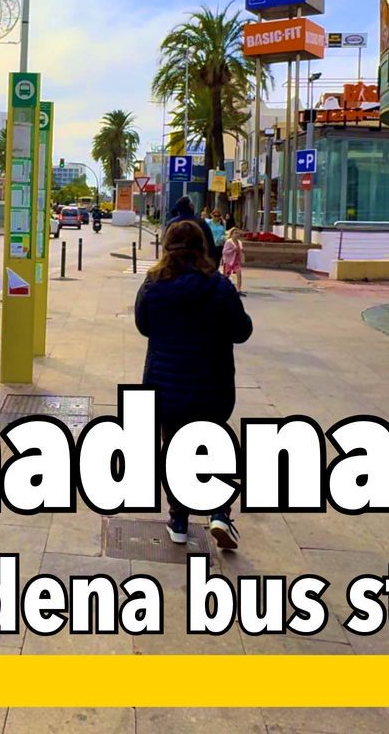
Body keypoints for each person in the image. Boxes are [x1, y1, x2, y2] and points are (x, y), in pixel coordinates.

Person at [135, 219, 253, 549]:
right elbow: (241, 331)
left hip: (166, 386)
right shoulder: (219, 286)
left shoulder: (153, 284)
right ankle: (219, 513)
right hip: (211, 385)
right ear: (203, 247)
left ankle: (179, 520)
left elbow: (143, 325)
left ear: (166, 246)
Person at [165, 195, 221, 264]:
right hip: (198, 264)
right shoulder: (201, 223)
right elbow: (210, 245)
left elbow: (165, 244)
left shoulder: (171, 223)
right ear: (191, 206)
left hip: (174, 263)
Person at [221, 227, 245, 296]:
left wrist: (242, 258)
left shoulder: (239, 242)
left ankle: (238, 289)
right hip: (229, 261)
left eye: (237, 233)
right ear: (231, 234)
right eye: (235, 233)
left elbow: (241, 251)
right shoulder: (229, 242)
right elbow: (224, 252)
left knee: (239, 274)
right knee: (226, 275)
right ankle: (224, 288)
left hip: (236, 261)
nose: (236, 234)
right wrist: (233, 250)